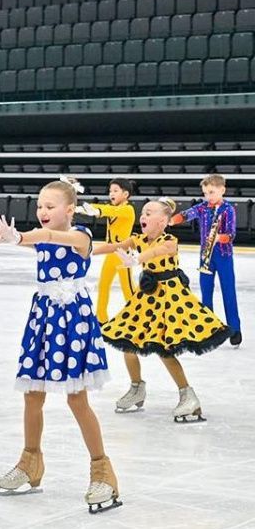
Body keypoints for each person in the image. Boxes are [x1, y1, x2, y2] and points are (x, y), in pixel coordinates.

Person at [0, 177, 120, 514]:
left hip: (72, 321)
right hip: (43, 319)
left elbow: (50, 237)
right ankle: (30, 462)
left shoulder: (80, 237)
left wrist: (22, 237)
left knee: (76, 397)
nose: (42, 211)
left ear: (69, 209)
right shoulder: (42, 237)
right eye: (39, 206)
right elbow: (9, 236)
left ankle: (103, 471)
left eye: (49, 206)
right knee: (33, 394)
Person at [98, 198, 230, 422]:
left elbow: (158, 251)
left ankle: (188, 396)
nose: (143, 217)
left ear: (163, 221)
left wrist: (138, 258)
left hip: (169, 299)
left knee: (165, 349)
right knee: (127, 341)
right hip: (146, 299)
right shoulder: (138, 238)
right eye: (143, 213)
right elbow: (112, 247)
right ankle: (137, 387)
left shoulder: (170, 240)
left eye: (149, 213)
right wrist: (82, 249)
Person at [171, 174, 242, 346]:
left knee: (228, 292)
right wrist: (171, 220)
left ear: (222, 190)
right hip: (205, 257)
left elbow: (231, 234)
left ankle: (234, 328)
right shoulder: (202, 207)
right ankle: (208, 328)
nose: (208, 196)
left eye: (211, 192)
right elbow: (186, 214)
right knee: (206, 293)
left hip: (223, 256)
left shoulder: (228, 209)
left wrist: (219, 237)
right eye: (205, 193)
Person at [75, 178, 136, 323]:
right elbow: (106, 208)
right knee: (103, 285)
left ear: (125, 194)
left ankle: (139, 316)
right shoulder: (113, 208)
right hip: (111, 253)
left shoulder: (128, 209)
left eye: (115, 191)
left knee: (128, 289)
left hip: (123, 254)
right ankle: (101, 318)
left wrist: (96, 210)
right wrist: (86, 208)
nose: (111, 194)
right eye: (110, 191)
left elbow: (110, 210)